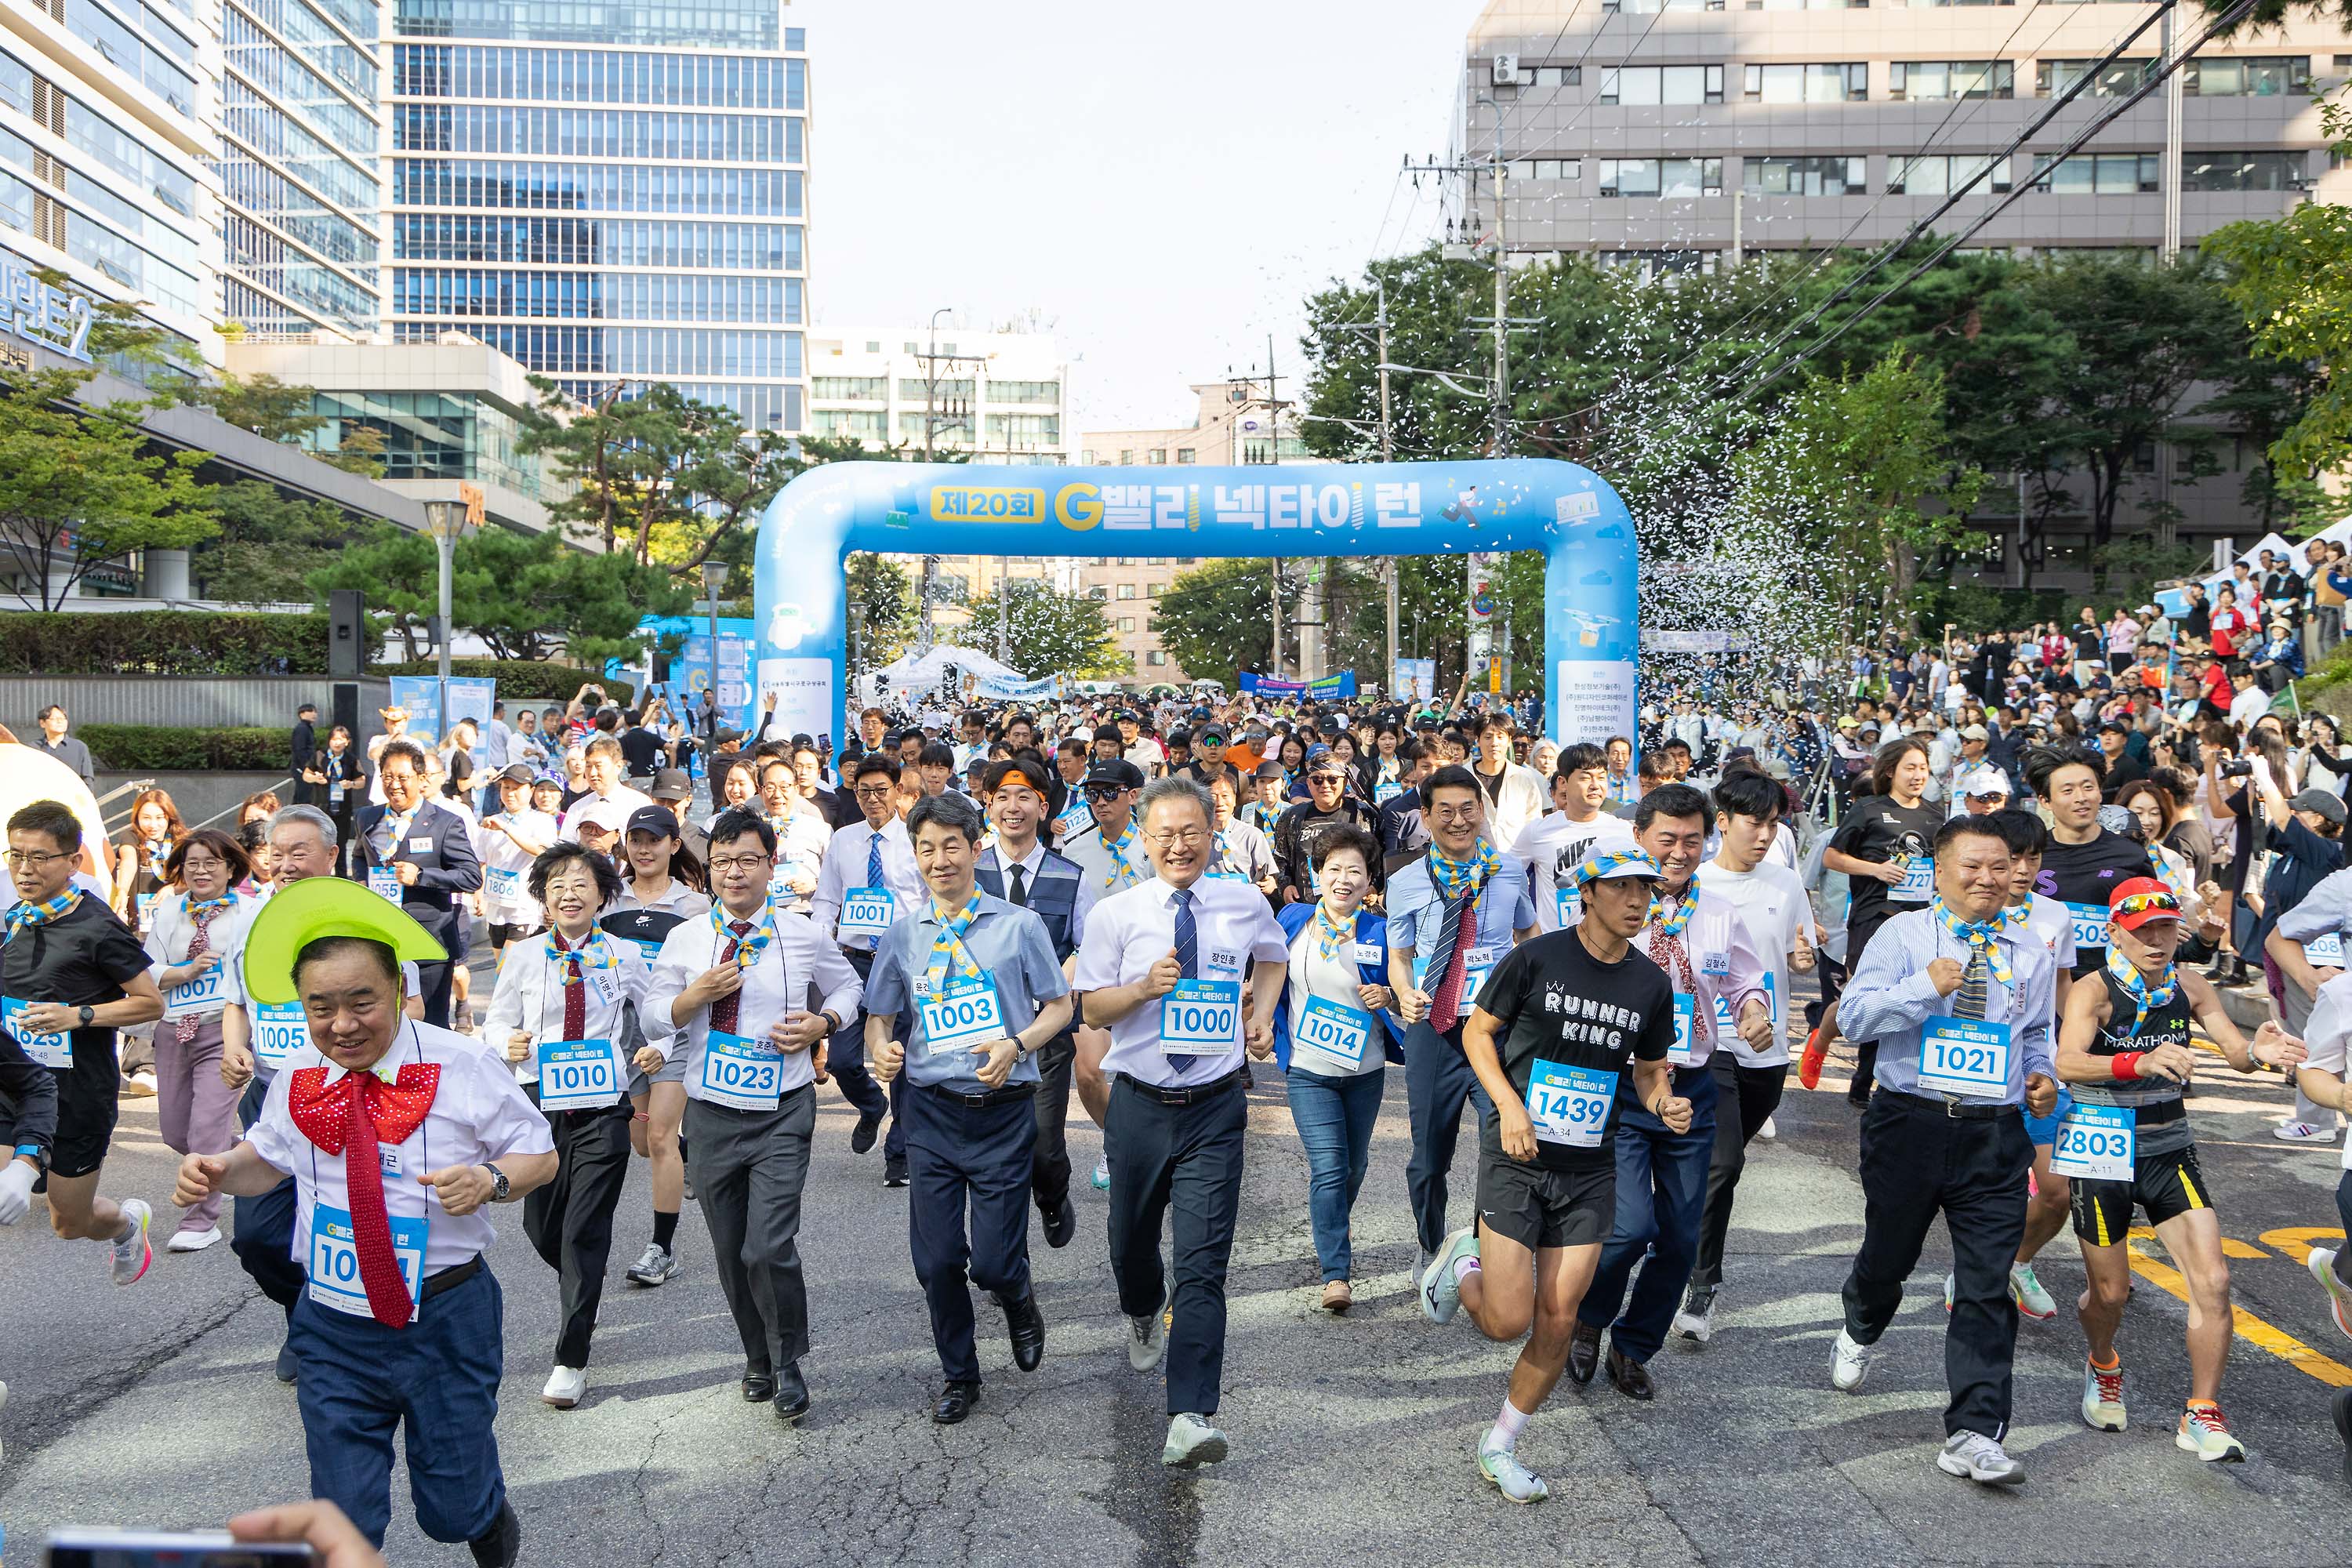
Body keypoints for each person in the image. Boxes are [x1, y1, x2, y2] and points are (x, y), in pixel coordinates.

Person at [170, 877, 554, 1563]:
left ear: (398, 993)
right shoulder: (298, 1074)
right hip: (333, 1320)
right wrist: (222, 1169)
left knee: (455, 1505)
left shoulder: (462, 1063)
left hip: (443, 1314)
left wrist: (491, 1180)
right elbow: (269, 1160)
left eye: (360, 1003)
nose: (341, 1024)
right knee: (343, 1515)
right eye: (320, 1007)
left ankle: (489, 1521)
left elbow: (539, 1155)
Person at [1417, 847, 1682, 1504]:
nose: (1635, 900)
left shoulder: (1650, 983)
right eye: (1619, 887)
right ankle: (1463, 1264)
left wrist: (1662, 1102)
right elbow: (1479, 1034)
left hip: (1589, 1166)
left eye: (1644, 889)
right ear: (1586, 892)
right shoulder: (1537, 958)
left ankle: (1500, 1445)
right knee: (1507, 1322)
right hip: (1517, 1154)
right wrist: (1508, 1105)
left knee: (1559, 1320)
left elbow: (1649, 1071)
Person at [1828, 815, 2060, 1487]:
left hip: (1995, 1132)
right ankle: (1862, 1324)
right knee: (1887, 1259)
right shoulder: (1903, 935)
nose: (1989, 879)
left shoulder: (2030, 947)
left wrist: (2043, 1078)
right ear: (1941, 869)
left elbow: (2037, 1032)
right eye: (1973, 866)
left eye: (2001, 866)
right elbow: (1853, 1020)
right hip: (1911, 1122)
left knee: (1988, 1284)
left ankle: (1975, 1432)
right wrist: (1925, 987)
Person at [1073, 776, 1287, 1468]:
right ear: (1144, 839)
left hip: (1216, 1106)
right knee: (1131, 1247)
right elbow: (1092, 1011)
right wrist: (1141, 988)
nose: (1178, 845)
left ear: (1211, 835)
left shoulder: (1243, 899)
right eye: (1164, 833)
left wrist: (1259, 1016)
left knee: (1203, 1266)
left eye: (1190, 832)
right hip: (1138, 1103)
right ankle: (1141, 1308)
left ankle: (1190, 1413)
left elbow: (1275, 957)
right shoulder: (1116, 913)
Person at [2055, 877, 2302, 1461]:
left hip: (2169, 1147)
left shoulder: (2189, 986)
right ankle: (2103, 1362)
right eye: (2143, 931)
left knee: (2214, 1280)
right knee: (2110, 1294)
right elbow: (2067, 1062)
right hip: (2100, 1147)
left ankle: (2202, 1413)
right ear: (2115, 932)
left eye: (2167, 927)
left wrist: (2258, 1055)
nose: (2157, 940)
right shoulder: (2095, 990)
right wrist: (2137, 1060)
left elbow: (2235, 1052)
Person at [641, 804, 861, 1421]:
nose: (734, 873)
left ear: (770, 864)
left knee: (767, 1245)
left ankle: (788, 1361)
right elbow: (656, 1014)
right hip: (709, 1111)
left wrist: (824, 1022)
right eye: (721, 863)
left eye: (747, 860)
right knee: (730, 1248)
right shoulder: (687, 938)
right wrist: (693, 997)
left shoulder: (802, 932)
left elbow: (849, 987)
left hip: (782, 1107)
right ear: (708, 870)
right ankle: (756, 1356)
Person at [863, 791, 1069, 1422]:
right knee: (936, 1260)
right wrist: (882, 1053)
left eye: (952, 845)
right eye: (926, 848)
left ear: (975, 846)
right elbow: (880, 1016)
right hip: (929, 1110)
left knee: (997, 1262)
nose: (939, 859)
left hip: (1002, 1109)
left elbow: (1059, 1007)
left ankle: (1018, 1296)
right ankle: (960, 1374)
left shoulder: (1018, 926)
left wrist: (1016, 1044)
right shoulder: (904, 934)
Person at [1566, 784, 1769, 1399]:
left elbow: (1745, 982)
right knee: (1628, 1227)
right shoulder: (1610, 904)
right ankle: (1589, 1321)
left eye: (1691, 840)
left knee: (1682, 1235)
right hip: (1621, 1089)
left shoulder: (1718, 912)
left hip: (1693, 1088)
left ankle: (1634, 1346)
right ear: (1640, 839)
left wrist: (1755, 1010)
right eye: (1667, 840)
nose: (1680, 852)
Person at [484, 841, 650, 1410]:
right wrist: (503, 1041)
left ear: (602, 894)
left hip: (604, 1103)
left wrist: (657, 1049)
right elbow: (496, 1021)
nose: (568, 894)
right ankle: (585, 1282)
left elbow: (657, 1015)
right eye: (556, 886)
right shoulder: (526, 956)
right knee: (544, 1229)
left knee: (584, 1230)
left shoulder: (625, 954)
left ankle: (571, 1358)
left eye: (580, 883)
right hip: (536, 1106)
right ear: (544, 900)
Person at [1678, 769, 1814, 1343]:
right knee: (1723, 1164)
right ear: (1723, 824)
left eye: (1772, 825)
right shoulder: (1695, 885)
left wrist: (1804, 958)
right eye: (1753, 824)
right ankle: (1701, 1284)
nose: (1763, 835)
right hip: (1711, 1048)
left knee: (1717, 1167)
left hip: (1769, 1050)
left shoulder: (1786, 884)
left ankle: (1678, 1224)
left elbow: (1796, 952)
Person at [2, 798, 164, 1284]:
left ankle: (126, 1225)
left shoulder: (98, 927)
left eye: (39, 857)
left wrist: (78, 1014)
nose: (24, 869)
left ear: (73, 862)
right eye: (15, 855)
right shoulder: (16, 917)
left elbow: (150, 1003)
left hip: (77, 1095)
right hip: (16, 1087)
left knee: (69, 1222)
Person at [1386, 765, 1538, 1265]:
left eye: (1467, 809)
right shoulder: (1404, 880)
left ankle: (1485, 1249)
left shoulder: (1510, 871)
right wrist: (1404, 992)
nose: (1458, 820)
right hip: (1435, 1029)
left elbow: (1529, 940)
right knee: (1430, 1157)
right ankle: (1431, 1250)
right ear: (1426, 817)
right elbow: (1400, 957)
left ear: (1481, 812)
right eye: (1445, 811)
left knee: (1502, 1146)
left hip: (1497, 1032)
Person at [974, 756, 1096, 1247]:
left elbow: (1088, 945)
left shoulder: (1072, 876)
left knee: (1044, 1144)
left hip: (1047, 1029)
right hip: (980, 1030)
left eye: (1024, 797)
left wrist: (1064, 976)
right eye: (1002, 797)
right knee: (990, 1152)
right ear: (988, 806)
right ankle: (1002, 1258)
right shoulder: (969, 871)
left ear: (1043, 807)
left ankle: (1052, 1197)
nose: (1013, 807)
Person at [1272, 825, 1395, 1312]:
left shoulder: (1380, 933)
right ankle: (1336, 1273)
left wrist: (1386, 996)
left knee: (1354, 1166)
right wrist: (1257, 1015)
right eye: (1334, 869)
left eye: (1356, 871)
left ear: (1370, 882)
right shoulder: (1292, 920)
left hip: (1365, 1070)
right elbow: (1266, 969)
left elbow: (1403, 994)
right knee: (1328, 1168)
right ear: (1316, 875)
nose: (1344, 879)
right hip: (1308, 1069)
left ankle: (1331, 1229)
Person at [1802, 739, 1940, 1104]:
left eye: (1923, 768)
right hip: (1874, 916)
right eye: (1910, 768)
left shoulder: (1935, 815)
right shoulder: (1868, 809)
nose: (1918, 775)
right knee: (1863, 997)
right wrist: (1876, 869)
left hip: (1921, 920)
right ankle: (1822, 1037)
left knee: (1913, 999)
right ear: (1891, 771)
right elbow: (1832, 857)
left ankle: (1868, 1085)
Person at [607, 804, 710, 1287]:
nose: (644, 849)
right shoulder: (609, 901)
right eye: (636, 839)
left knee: (660, 1138)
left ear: (674, 844)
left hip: (676, 1030)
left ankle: (661, 1249)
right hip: (623, 1035)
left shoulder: (693, 906)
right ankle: (691, 1156)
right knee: (643, 1143)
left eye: (654, 840)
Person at [143, 828, 259, 1254]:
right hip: (174, 1026)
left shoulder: (251, 911)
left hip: (223, 1030)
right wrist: (185, 972)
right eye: (192, 863)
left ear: (231, 868)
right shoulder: (170, 910)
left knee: (206, 1128)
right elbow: (148, 968)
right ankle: (251, 1160)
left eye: (212, 863)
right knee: (178, 1133)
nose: (201, 871)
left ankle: (200, 1221)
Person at [812, 752, 924, 1185]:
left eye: (882, 790)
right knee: (841, 1057)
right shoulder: (843, 840)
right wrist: (820, 944)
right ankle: (870, 1105)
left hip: (905, 962)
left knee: (902, 1058)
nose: (873, 799)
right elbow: (826, 898)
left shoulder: (916, 838)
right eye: (864, 792)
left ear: (898, 791)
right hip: (854, 961)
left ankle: (899, 1151)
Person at [354, 739, 483, 1029]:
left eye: (403, 778)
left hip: (429, 941)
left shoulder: (445, 822)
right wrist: (361, 881)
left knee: (430, 1026)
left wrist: (422, 876)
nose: (395, 785)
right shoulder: (367, 817)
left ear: (421, 779)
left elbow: (471, 876)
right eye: (388, 777)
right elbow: (360, 855)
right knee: (381, 1024)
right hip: (380, 940)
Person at [1512, 743, 1636, 934]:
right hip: (1555, 941)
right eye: (1586, 778)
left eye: (1601, 777)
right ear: (1563, 782)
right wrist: (1526, 926)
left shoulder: (1622, 831)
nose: (1595, 785)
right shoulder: (1538, 831)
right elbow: (1508, 875)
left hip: (1609, 942)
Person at [1270, 750, 1381, 905]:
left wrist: (1375, 887)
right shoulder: (1291, 818)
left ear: (1345, 782)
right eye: (1317, 780)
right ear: (1309, 783)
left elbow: (1379, 857)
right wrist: (1286, 885)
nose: (1325, 785)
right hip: (1307, 908)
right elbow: (1280, 857)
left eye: (1333, 779)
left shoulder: (1365, 815)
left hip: (1354, 906)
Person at [1469, 710, 1548, 851]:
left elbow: (1533, 824)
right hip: (1471, 864)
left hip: (1516, 863)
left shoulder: (1525, 778)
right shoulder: (1463, 776)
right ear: (1478, 741)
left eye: (1500, 737)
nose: (1494, 743)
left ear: (1509, 741)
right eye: (1488, 737)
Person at [113, 787, 187, 935]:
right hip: (140, 922)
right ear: (137, 818)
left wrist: (174, 888)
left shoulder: (184, 840)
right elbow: (129, 861)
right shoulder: (131, 837)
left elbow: (195, 876)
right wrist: (122, 891)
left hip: (179, 919)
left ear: (169, 817)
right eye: (146, 818)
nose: (153, 825)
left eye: (160, 818)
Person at [35, 703, 94, 784]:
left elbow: (87, 778)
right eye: (54, 719)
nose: (60, 722)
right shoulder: (33, 748)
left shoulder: (79, 747)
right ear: (42, 723)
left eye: (63, 718)